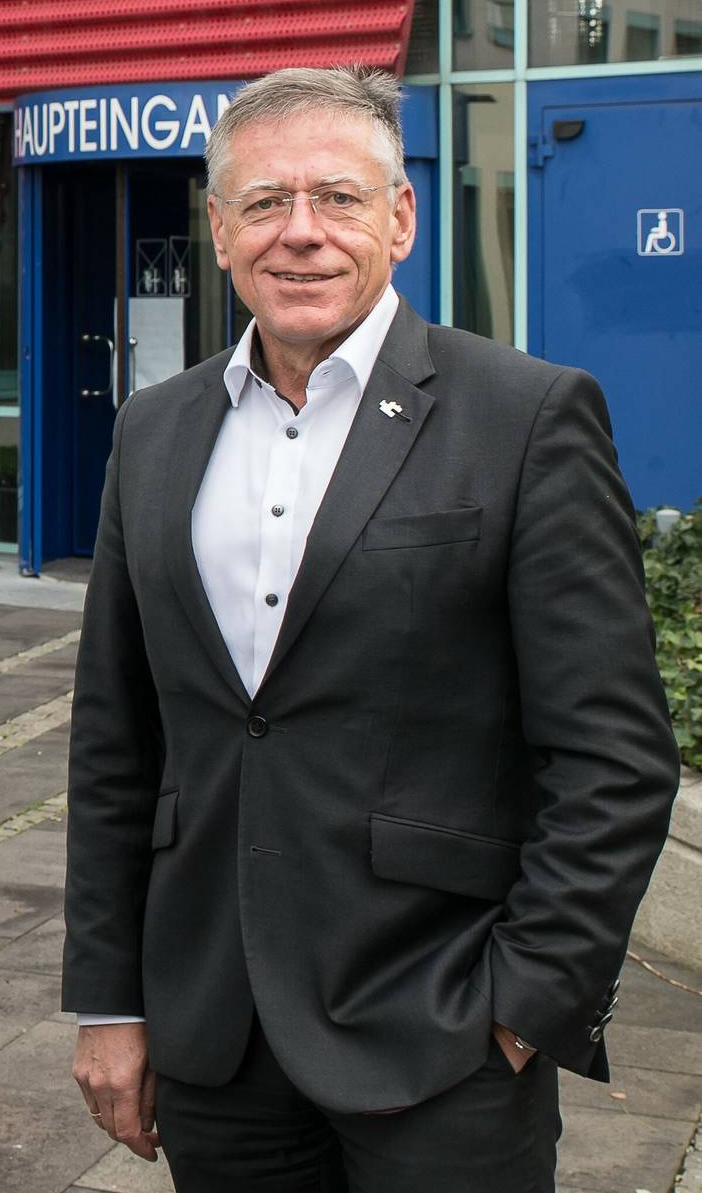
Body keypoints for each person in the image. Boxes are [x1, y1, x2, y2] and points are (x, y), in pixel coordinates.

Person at [63, 65, 680, 1190]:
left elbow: (614, 756)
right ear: (218, 229)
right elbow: (117, 739)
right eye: (265, 202)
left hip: (440, 1036)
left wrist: (527, 1000)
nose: (302, 233)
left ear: (400, 217)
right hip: (216, 1039)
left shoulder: (527, 416)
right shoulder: (153, 431)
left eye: (338, 198)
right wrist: (111, 998)